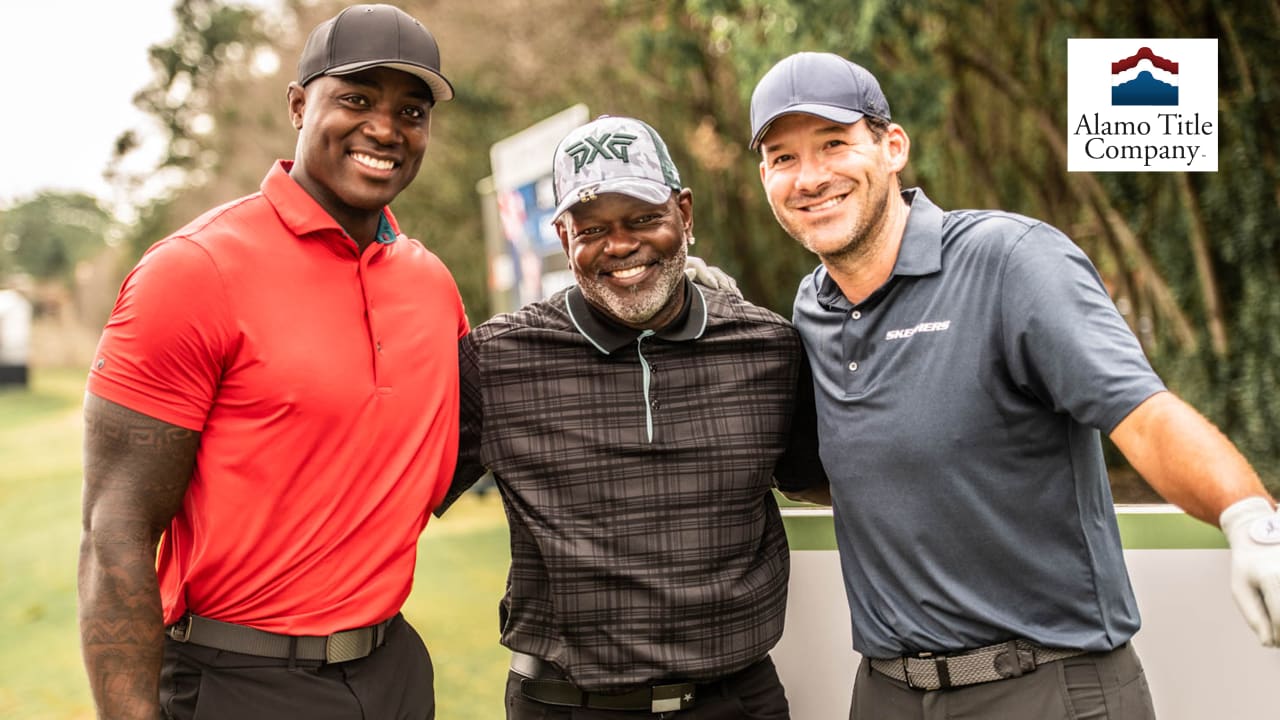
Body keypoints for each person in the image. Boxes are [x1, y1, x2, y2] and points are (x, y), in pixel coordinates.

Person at [748, 51, 1280, 719]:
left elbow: (1140, 412)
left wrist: (1249, 516)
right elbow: (845, 470)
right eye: (783, 157)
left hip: (1044, 686)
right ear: (764, 176)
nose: (811, 176)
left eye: (833, 143)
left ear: (892, 147)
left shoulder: (1011, 262)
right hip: (885, 693)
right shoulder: (811, 310)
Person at [78, 5, 464, 719]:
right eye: (355, 99)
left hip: (396, 674)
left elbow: (460, 444)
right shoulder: (193, 273)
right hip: (240, 679)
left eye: (411, 110)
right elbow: (115, 533)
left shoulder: (432, 286)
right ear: (297, 105)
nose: (385, 128)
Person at [440, 114, 826, 719]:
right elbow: (394, 495)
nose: (620, 246)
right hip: (568, 705)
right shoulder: (495, 361)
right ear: (564, 237)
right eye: (593, 228)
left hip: (738, 702)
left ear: (686, 214)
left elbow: (828, 478)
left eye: (644, 218)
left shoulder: (769, 347)